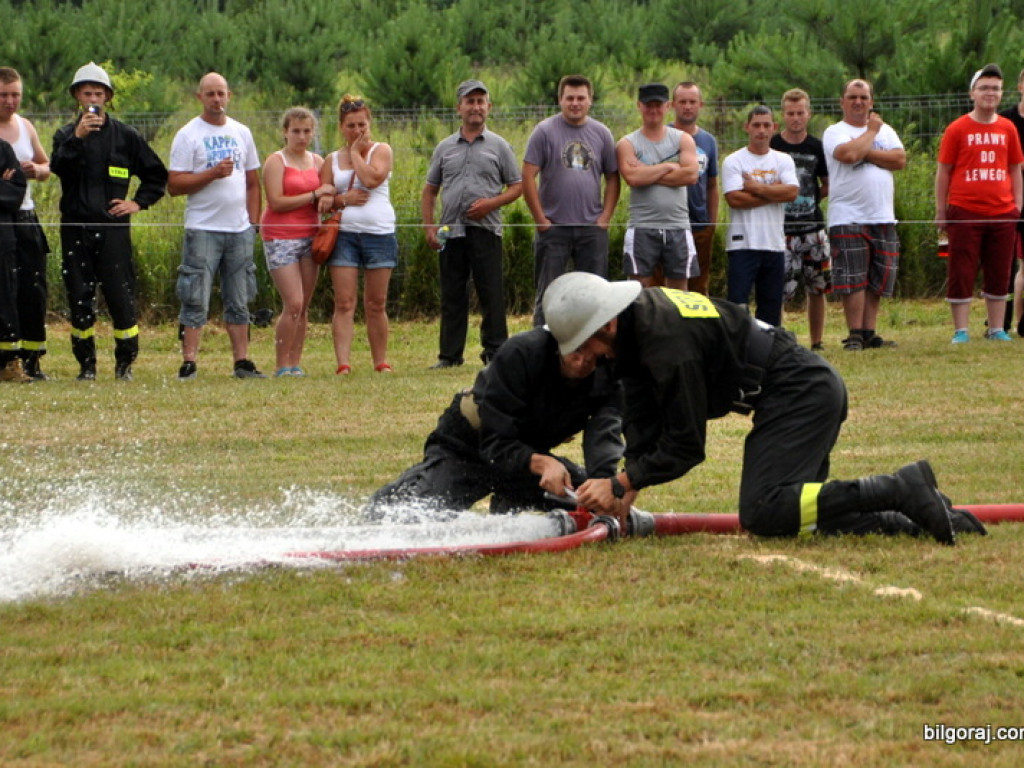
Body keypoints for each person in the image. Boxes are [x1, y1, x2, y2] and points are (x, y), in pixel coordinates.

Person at [541, 272, 986, 546]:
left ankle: (898, 486)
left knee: (763, 511)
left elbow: (686, 445)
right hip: (791, 389)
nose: (588, 358)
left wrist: (620, 482)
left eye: (587, 346)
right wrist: (631, 483)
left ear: (606, 323)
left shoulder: (666, 344)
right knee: (798, 514)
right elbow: (641, 413)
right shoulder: (638, 324)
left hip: (798, 392)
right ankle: (919, 515)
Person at [367, 324, 623, 516]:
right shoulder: (523, 351)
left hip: (523, 459)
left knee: (588, 504)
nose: (582, 362)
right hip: (469, 448)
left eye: (592, 357)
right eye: (576, 351)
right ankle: (398, 494)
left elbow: (604, 434)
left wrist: (603, 485)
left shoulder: (608, 375)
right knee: (409, 514)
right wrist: (542, 463)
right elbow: (495, 441)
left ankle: (511, 495)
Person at [51, 61, 167, 381]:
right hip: (75, 229)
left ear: (108, 97)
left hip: (113, 230)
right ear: (77, 96)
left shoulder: (126, 136)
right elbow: (58, 168)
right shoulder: (64, 135)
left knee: (120, 296)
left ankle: (124, 364)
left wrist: (137, 203)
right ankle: (86, 366)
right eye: (87, 92)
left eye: (98, 93)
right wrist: (77, 137)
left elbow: (157, 175)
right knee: (79, 297)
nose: (93, 98)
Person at [167, 72, 265, 380]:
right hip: (203, 228)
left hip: (239, 230)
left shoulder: (242, 132)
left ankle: (242, 361)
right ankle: (189, 362)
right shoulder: (188, 135)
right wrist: (210, 174)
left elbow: (252, 182)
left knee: (239, 296)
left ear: (229, 95)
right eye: (210, 94)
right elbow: (175, 184)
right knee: (195, 295)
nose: (216, 99)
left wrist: (253, 221)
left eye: (221, 93)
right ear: (200, 98)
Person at [423, 79, 521, 369]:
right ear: (459, 108)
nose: (475, 107)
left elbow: (517, 187)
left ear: (488, 107)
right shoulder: (444, 148)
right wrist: (429, 227)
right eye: (470, 101)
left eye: (481, 102)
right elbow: (430, 190)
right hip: (450, 232)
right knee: (452, 295)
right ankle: (449, 356)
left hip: (486, 230)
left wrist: (491, 204)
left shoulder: (500, 146)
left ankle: (495, 353)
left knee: (491, 293)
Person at [522, 74, 619, 325]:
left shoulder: (602, 134)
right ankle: (542, 345)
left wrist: (605, 218)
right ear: (560, 100)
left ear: (590, 100)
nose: (575, 103)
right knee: (548, 294)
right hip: (554, 229)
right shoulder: (543, 132)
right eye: (570, 98)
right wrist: (541, 220)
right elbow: (528, 176)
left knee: (596, 296)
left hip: (591, 229)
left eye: (580, 98)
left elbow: (612, 178)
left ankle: (593, 349)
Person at [936, 64, 1023, 344]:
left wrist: (1017, 206)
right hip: (964, 210)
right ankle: (961, 330)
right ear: (972, 92)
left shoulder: (1008, 128)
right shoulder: (957, 128)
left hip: (1002, 212)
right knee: (961, 270)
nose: (990, 93)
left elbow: (1015, 169)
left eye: (996, 88)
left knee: (1000, 271)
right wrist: (941, 210)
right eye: (984, 87)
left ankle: (996, 328)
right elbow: (944, 171)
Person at [822, 79, 907, 351]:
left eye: (863, 97)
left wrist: (865, 153)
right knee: (852, 276)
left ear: (871, 101)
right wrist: (871, 132)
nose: (858, 102)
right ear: (842, 102)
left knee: (877, 277)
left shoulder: (888, 131)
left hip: (882, 214)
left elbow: (899, 160)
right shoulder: (835, 131)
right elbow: (847, 155)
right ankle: (855, 332)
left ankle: (869, 331)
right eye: (852, 97)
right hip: (848, 215)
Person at [317, 94, 396, 375]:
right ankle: (343, 363)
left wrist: (354, 154)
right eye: (351, 125)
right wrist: (341, 199)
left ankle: (380, 361)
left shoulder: (381, 150)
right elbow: (324, 198)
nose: (357, 131)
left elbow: (373, 179)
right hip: (345, 235)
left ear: (369, 123)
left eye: (362, 125)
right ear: (341, 126)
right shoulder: (330, 160)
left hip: (379, 233)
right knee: (344, 302)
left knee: (376, 303)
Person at [260, 107, 334, 376]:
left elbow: (330, 189)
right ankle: (281, 364)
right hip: (280, 237)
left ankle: (295, 362)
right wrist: (314, 195)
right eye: (296, 131)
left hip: (310, 236)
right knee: (292, 302)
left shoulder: (317, 161)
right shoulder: (275, 162)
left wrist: (327, 198)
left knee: (303, 306)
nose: (301, 137)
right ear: (285, 132)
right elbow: (276, 201)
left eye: (306, 131)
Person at [721, 105, 798, 327]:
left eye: (766, 125)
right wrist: (773, 192)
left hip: (773, 244)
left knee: (771, 305)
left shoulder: (783, 160)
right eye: (756, 125)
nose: (761, 130)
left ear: (774, 127)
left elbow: (791, 192)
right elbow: (735, 199)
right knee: (737, 305)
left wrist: (755, 187)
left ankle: (768, 351)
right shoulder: (734, 161)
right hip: (741, 244)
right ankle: (737, 349)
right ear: (747, 127)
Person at [616, 82, 699, 289]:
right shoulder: (627, 143)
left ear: (668, 106)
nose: (653, 110)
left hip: (677, 225)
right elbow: (632, 179)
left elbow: (691, 175)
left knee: (679, 291)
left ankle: (675, 323)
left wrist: (648, 170)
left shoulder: (683, 139)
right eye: (648, 105)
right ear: (639, 106)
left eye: (658, 105)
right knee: (638, 289)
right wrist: (671, 166)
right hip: (642, 226)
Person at [0, 67, 51, 380]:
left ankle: (33, 358)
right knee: (5, 291)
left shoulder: (26, 126)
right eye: (3, 95)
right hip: (3, 221)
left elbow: (47, 165)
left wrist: (37, 170)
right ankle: (8, 359)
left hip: (27, 215)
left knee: (33, 288)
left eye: (15, 94)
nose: (10, 101)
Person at [770, 89, 831, 350]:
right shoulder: (773, 145)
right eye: (790, 113)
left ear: (809, 114)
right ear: (783, 115)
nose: (796, 118)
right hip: (781, 230)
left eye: (800, 113)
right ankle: (778, 340)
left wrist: (810, 201)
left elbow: (826, 183)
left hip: (813, 229)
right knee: (778, 289)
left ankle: (817, 341)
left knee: (818, 287)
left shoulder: (817, 147)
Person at [671, 81, 719, 296]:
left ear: (701, 104)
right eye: (683, 102)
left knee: (698, 286)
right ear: (673, 105)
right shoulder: (663, 135)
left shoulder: (708, 141)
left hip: (700, 223)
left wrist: (712, 223)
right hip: (669, 222)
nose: (687, 106)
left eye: (692, 102)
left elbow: (711, 185)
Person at [0, 137, 29, 382]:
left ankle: (8, 363)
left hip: (2, 239)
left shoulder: (3, 149)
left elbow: (15, 193)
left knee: (5, 298)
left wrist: (5, 186)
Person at [998, 66, 1024, 337]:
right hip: (1007, 198)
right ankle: (1000, 322)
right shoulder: (1005, 121)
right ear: (1019, 86)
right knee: (1004, 262)